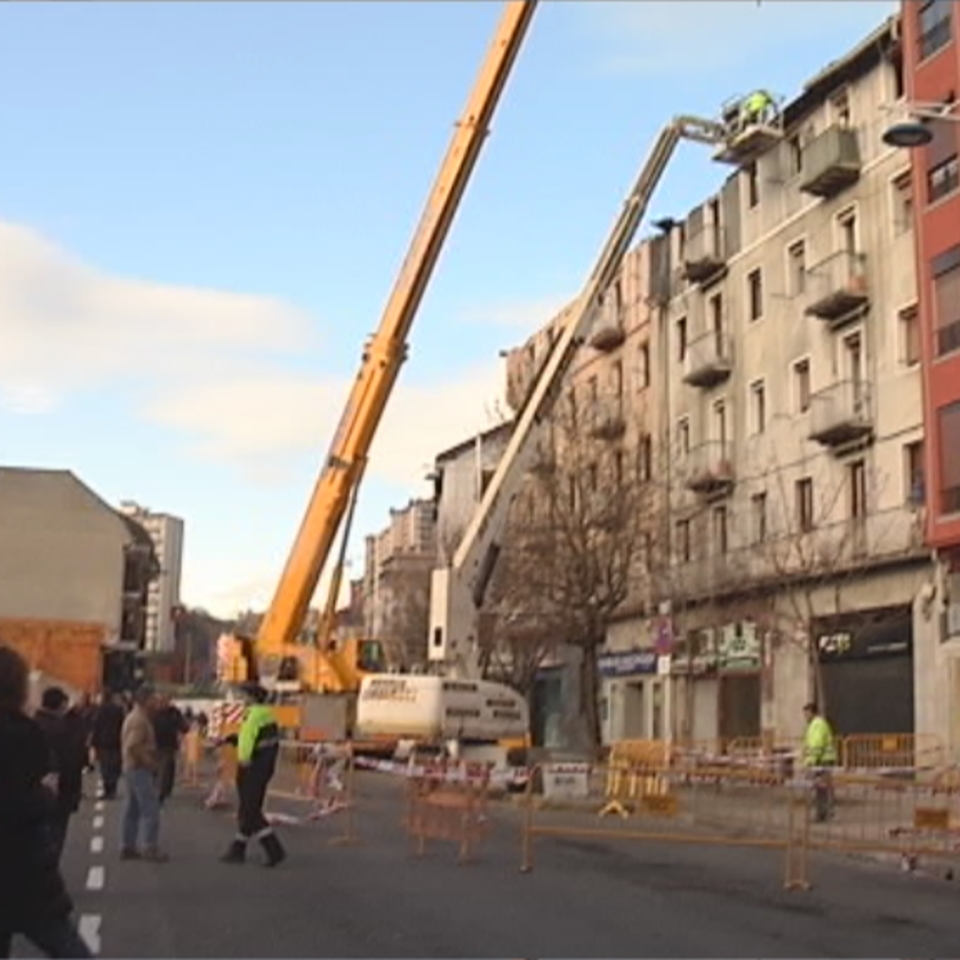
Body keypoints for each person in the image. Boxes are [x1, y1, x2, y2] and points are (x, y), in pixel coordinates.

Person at [0, 646, 92, 959]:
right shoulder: (22, 733)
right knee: (65, 945)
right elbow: (24, 797)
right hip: (23, 870)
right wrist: (44, 797)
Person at [220, 685, 286, 867]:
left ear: (251, 697)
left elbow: (248, 739)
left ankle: (274, 850)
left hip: (253, 767)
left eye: (243, 695)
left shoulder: (254, 715)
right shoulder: (266, 714)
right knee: (248, 809)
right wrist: (234, 739)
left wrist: (243, 759)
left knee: (250, 809)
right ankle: (238, 848)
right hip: (264, 766)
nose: (241, 699)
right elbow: (257, 738)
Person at [33, 687, 86, 865]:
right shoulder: (62, 728)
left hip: (33, 790)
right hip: (62, 789)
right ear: (61, 704)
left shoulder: (32, 724)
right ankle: (47, 872)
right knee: (56, 833)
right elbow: (73, 758)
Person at [120, 686, 167, 862]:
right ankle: (150, 847)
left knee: (132, 809)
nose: (157, 702)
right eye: (154, 699)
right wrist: (150, 763)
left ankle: (128, 845)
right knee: (151, 809)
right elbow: (133, 746)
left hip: (131, 767)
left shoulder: (134, 717)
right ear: (145, 700)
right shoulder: (139, 721)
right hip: (139, 768)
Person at [803, 702, 837, 821]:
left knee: (822, 788)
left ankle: (825, 813)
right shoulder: (816, 724)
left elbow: (817, 744)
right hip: (822, 760)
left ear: (812, 712)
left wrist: (811, 761)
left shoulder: (817, 725)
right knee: (821, 788)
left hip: (822, 761)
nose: (805, 716)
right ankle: (823, 812)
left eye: (806, 713)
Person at [152, 695, 186, 805]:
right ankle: (161, 791)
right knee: (162, 769)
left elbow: (183, 725)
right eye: (160, 701)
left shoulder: (173, 713)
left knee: (166, 769)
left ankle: (163, 790)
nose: (162, 703)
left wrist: (184, 729)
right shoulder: (154, 713)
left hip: (168, 745)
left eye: (164, 701)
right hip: (157, 745)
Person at [91, 691, 125, 800]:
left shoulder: (100, 710)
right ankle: (113, 788)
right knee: (114, 765)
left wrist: (94, 742)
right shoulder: (119, 710)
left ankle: (108, 789)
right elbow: (123, 725)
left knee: (105, 766)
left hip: (104, 742)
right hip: (116, 742)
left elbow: (96, 726)